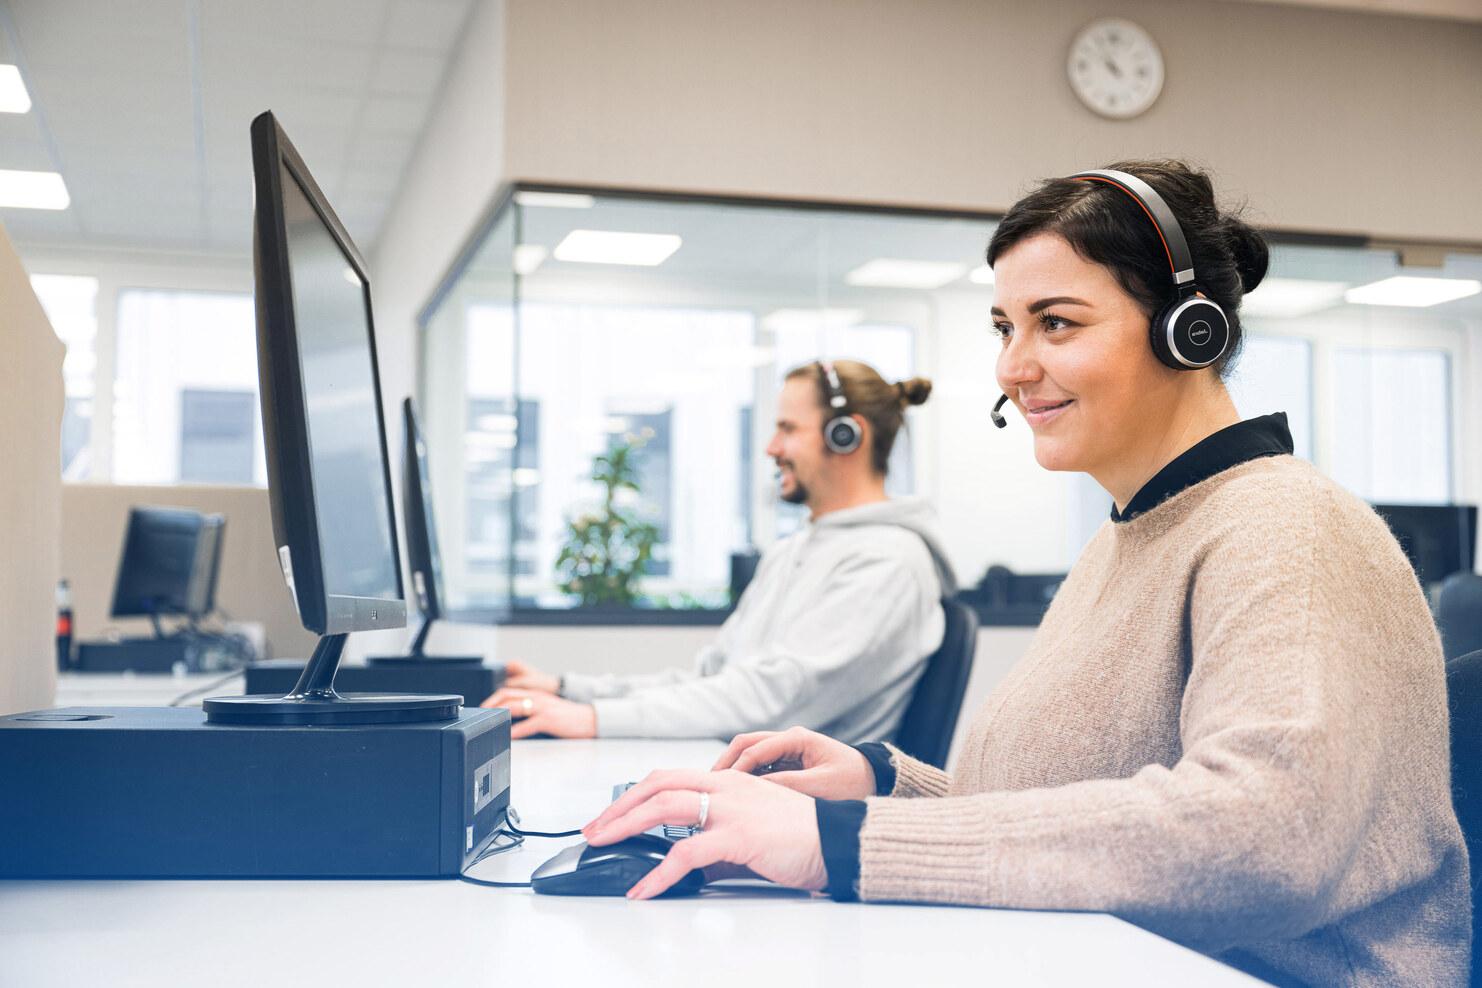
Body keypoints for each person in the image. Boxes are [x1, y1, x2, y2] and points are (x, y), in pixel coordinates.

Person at [582, 161, 1471, 986]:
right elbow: (1078, 800)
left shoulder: (1290, 530)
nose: (1014, 367)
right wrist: (888, 786)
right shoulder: (1132, 535)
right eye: (1007, 327)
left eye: (1057, 322)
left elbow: (1272, 834)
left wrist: (846, 841)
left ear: (1187, 329)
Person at [481, 359, 958, 743]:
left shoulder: (886, 563)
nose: (772, 447)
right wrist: (572, 691)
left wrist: (591, 718)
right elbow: (715, 678)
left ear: (846, 435)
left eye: (788, 428)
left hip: (792, 811)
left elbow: (769, 702)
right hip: (745, 782)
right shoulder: (796, 550)